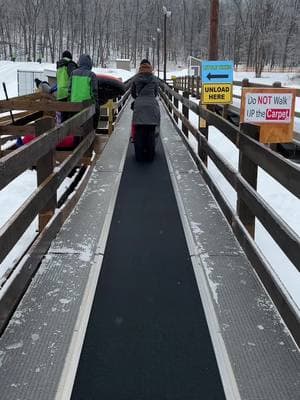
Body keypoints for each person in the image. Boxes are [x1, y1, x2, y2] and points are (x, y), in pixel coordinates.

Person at [131, 59, 160, 161]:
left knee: (139, 128)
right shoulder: (154, 78)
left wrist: (138, 98)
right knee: (151, 128)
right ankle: (150, 153)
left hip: (139, 105)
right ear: (150, 67)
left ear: (140, 67)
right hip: (151, 104)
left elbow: (133, 93)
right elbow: (156, 93)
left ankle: (139, 153)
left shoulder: (136, 78)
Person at [69, 54, 100, 129]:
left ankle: (76, 139)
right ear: (89, 64)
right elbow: (94, 91)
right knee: (96, 111)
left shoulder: (73, 73)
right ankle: (94, 130)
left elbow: (69, 90)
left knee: (76, 126)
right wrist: (95, 104)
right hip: (86, 104)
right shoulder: (91, 75)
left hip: (74, 104)